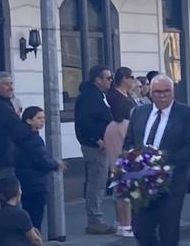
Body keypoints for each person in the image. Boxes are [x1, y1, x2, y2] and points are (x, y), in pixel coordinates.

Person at [124, 75, 190, 246]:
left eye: (167, 91)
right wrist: (132, 159)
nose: (163, 96)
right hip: (143, 181)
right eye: (158, 92)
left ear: (173, 92)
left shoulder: (187, 114)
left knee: (168, 232)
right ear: (151, 93)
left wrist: (162, 159)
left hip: (172, 182)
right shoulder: (140, 113)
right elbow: (129, 141)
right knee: (140, 229)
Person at [74, 66, 117, 235]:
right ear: (97, 79)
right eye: (107, 78)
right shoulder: (90, 96)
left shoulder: (98, 95)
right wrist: (96, 139)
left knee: (99, 181)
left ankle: (96, 218)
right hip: (95, 145)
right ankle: (95, 220)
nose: (110, 81)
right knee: (96, 182)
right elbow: (86, 121)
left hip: (99, 143)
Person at [14, 107, 64, 237]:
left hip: (24, 179)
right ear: (29, 120)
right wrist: (55, 164)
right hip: (36, 182)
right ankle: (35, 242)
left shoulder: (19, 136)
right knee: (36, 216)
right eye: (39, 118)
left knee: (27, 212)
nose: (42, 121)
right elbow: (41, 160)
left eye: (43, 118)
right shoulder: (34, 139)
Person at [0, 72, 29, 190]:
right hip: (3, 160)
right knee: (9, 197)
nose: (11, 87)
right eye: (6, 84)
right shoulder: (0, 106)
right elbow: (18, 128)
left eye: (11, 83)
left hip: (1, 159)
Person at [106, 67, 137, 237]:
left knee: (118, 195)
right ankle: (127, 225)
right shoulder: (127, 126)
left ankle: (119, 224)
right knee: (127, 197)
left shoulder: (110, 127)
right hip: (127, 163)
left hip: (113, 163)